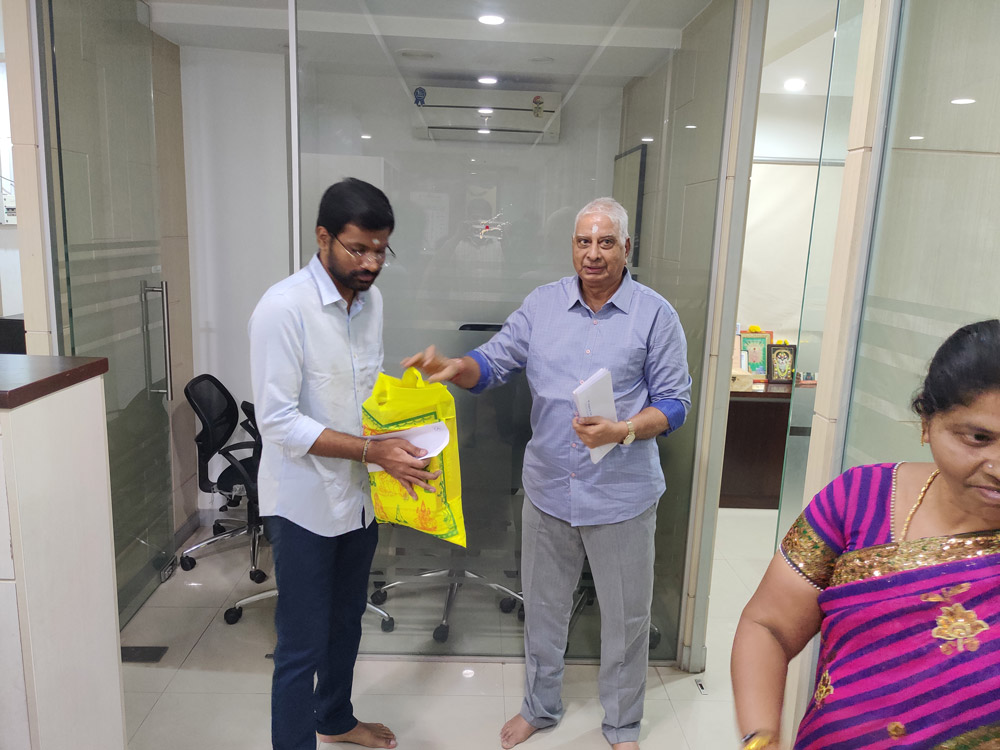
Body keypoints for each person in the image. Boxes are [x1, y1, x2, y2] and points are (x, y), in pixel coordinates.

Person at [403, 197, 692, 750]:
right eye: (584, 241)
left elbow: (675, 404)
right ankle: (540, 707)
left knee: (626, 621)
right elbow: (492, 363)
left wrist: (623, 430)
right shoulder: (542, 305)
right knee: (543, 611)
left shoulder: (656, 315)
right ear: (573, 247)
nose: (593, 253)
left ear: (626, 248)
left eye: (606, 242)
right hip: (548, 489)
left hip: (621, 496)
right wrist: (454, 367)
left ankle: (622, 725)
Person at [731, 319, 1000, 750]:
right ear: (927, 422)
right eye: (978, 437)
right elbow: (768, 626)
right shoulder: (860, 498)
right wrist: (760, 738)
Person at [249, 178, 439, 750]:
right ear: (322, 237)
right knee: (301, 644)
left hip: (358, 498)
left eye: (381, 250)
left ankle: (333, 717)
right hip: (302, 503)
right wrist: (369, 450)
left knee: (346, 621)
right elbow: (278, 422)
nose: (372, 263)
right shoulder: (284, 308)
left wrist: (405, 416)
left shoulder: (371, 302)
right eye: (358, 249)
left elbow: (360, 395)